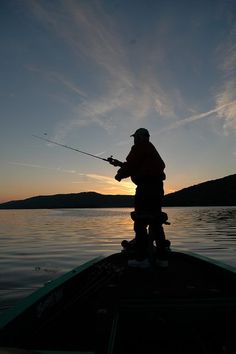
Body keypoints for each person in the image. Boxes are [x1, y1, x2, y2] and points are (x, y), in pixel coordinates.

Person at [109, 128, 169, 267]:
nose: (134, 139)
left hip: (145, 188)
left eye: (135, 137)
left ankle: (141, 259)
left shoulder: (140, 147)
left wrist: (119, 174)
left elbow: (131, 166)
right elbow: (137, 165)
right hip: (157, 188)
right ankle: (162, 259)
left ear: (141, 137)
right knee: (156, 221)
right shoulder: (150, 149)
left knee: (140, 221)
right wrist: (119, 164)